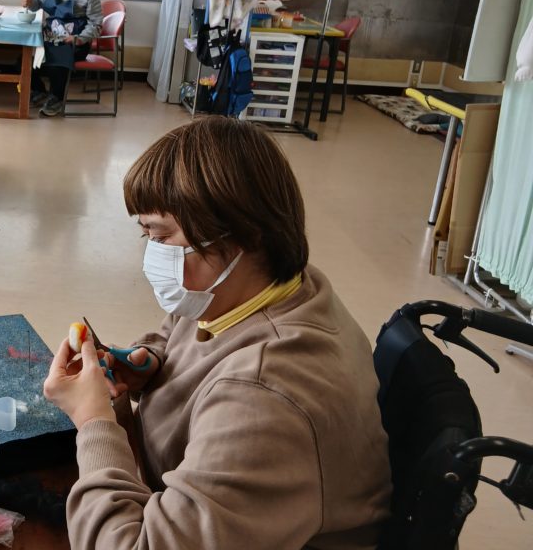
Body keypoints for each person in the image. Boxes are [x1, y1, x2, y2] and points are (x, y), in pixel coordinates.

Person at [43, 117, 391, 549]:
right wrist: (150, 362)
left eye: (162, 236)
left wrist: (94, 421)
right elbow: (184, 328)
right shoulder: (265, 285)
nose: (152, 254)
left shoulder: (265, 397)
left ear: (244, 234)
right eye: (146, 234)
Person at [22, 0, 102, 117]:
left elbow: (96, 24)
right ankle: (39, 90)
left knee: (57, 60)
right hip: (53, 33)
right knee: (25, 57)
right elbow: (38, 1)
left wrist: (78, 38)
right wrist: (30, 1)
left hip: (77, 40)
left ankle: (56, 99)